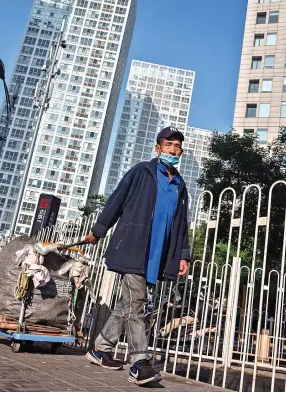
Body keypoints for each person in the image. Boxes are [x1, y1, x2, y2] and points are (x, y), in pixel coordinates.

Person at [84, 126, 190, 385]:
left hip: (156, 255)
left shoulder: (179, 184)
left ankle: (100, 348)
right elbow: (117, 200)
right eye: (168, 145)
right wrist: (99, 230)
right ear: (158, 148)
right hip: (133, 248)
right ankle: (139, 363)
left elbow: (181, 223)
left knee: (127, 305)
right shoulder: (141, 172)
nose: (173, 150)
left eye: (177, 147)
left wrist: (183, 255)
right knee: (137, 303)